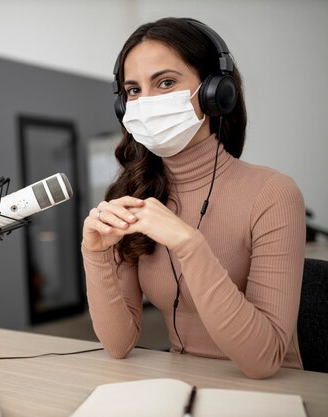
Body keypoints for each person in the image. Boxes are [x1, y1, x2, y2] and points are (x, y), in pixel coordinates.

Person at [81, 17, 305, 379]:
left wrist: (189, 244)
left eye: (166, 82)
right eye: (134, 91)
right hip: (180, 383)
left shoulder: (273, 193)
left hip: (268, 392)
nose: (146, 102)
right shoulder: (134, 195)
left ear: (214, 92)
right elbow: (118, 344)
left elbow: (263, 361)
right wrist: (95, 253)